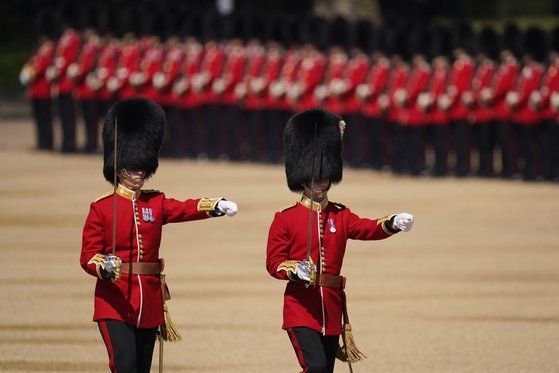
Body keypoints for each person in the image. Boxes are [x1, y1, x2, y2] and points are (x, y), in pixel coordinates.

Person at [80, 98, 239, 373]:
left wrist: (215, 205)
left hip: (149, 300)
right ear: (119, 168)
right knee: (124, 365)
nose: (140, 171)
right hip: (114, 299)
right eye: (133, 166)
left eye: (143, 165)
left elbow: (184, 208)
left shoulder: (155, 202)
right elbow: (87, 256)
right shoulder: (102, 208)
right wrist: (102, 267)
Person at [266, 108, 414, 373]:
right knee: (316, 367)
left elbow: (366, 228)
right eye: (315, 178)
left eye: (325, 177)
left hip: (331, 309)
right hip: (300, 307)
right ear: (302, 179)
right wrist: (294, 269)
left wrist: (391, 224)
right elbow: (274, 262)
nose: (321, 183)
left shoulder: (340, 214)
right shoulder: (285, 218)